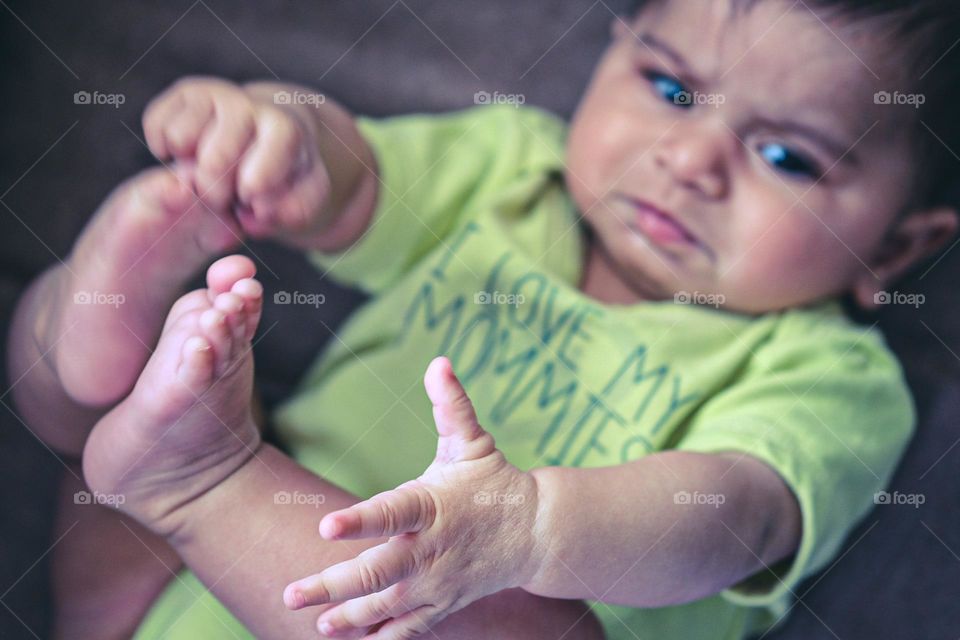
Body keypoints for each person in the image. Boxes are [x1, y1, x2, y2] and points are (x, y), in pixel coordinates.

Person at [9, 0, 958, 638]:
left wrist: (534, 531)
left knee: (528, 625)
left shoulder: (831, 376)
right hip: (176, 593)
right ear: (613, 50)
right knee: (111, 399)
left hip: (420, 613)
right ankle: (114, 321)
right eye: (671, 91)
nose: (691, 161)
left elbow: (735, 516)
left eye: (787, 158)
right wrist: (280, 140)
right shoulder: (510, 171)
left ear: (895, 250)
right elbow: (354, 181)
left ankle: (201, 477)